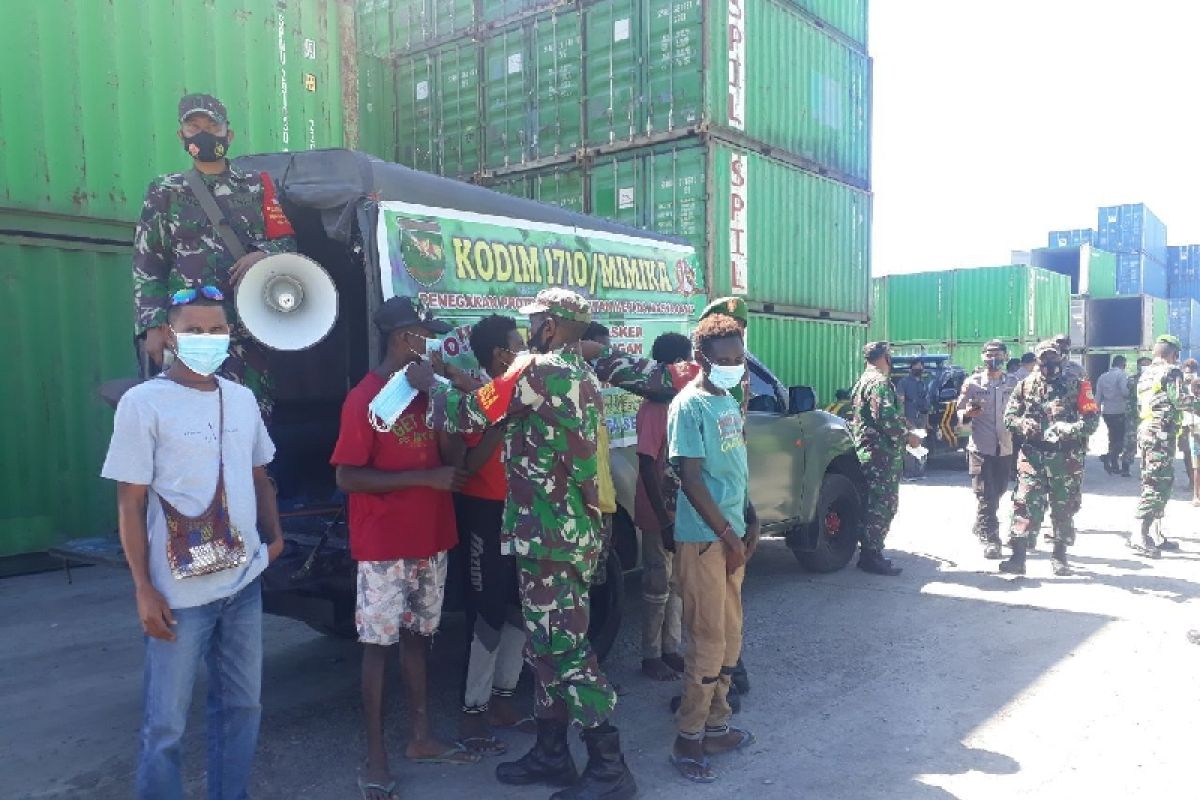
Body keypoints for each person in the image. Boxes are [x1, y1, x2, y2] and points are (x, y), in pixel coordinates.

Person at [413, 288, 661, 800]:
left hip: (549, 537)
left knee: (565, 650)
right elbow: (501, 406)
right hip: (560, 534)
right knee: (545, 646)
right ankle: (552, 752)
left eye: (534, 320)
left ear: (550, 326)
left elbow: (469, 415)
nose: (527, 329)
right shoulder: (577, 373)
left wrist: (430, 384)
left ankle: (609, 765)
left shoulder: (535, 371)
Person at [101, 289, 284, 800]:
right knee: (166, 727)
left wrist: (276, 539)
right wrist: (142, 588)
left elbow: (259, 472)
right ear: (171, 335)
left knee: (243, 709)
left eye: (216, 330)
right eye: (195, 331)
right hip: (179, 598)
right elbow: (129, 504)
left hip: (242, 587)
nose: (207, 340)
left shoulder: (241, 397)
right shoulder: (143, 404)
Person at [331, 296, 478, 800]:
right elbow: (348, 475)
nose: (431, 344)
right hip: (385, 546)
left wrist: (446, 397)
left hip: (431, 538)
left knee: (420, 637)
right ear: (402, 340)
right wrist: (426, 477)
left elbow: (454, 459)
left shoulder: (426, 393)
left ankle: (420, 738)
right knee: (378, 648)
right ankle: (375, 757)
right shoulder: (367, 399)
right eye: (424, 336)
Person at [133, 94, 298, 422]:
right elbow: (148, 262)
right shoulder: (165, 190)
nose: (204, 133)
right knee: (184, 424)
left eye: (212, 126)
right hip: (186, 336)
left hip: (246, 333)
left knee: (248, 424)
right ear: (182, 136)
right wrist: (151, 326)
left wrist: (261, 255)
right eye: (194, 127)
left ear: (228, 134)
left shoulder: (257, 185)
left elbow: (288, 245)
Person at [666, 314, 760, 784]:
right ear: (700, 360)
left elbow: (735, 468)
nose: (732, 365)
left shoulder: (726, 399)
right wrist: (727, 537)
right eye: (722, 360)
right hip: (706, 540)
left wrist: (750, 518)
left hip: (731, 535)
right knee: (705, 641)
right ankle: (688, 736)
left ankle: (717, 724)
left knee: (729, 638)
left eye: (738, 357)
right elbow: (691, 478)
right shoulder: (689, 406)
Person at [452, 315, 531, 756]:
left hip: (522, 514)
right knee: (487, 613)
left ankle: (503, 700)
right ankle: (472, 712)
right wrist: (501, 419)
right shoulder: (480, 399)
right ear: (501, 354)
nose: (524, 351)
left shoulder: (523, 394)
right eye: (518, 345)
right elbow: (470, 463)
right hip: (485, 515)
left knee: (519, 608)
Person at [1000, 340, 1099, 576]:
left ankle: (1059, 556)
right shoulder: (1024, 386)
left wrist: (1069, 428)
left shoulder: (1076, 385)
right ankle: (1018, 557)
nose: (1048, 364)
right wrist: (1022, 424)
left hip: (1066, 458)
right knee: (1024, 504)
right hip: (1032, 456)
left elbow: (1092, 421)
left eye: (1053, 358)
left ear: (1061, 359)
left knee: (1063, 507)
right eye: (1044, 359)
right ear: (1037, 361)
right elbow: (1009, 418)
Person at [635, 332, 692, 682]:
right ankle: (650, 654)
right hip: (658, 511)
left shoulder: (680, 402)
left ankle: (671, 649)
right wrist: (663, 519)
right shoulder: (656, 406)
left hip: (680, 509)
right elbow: (645, 462)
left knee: (676, 584)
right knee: (657, 583)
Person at [848, 341, 919, 576]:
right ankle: (871, 555)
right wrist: (909, 437)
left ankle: (870, 552)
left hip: (869, 451)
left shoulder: (863, 380)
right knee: (883, 504)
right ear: (885, 357)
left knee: (873, 501)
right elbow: (886, 419)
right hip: (881, 454)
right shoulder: (879, 382)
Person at [957, 340, 1018, 559]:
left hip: (1005, 447)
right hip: (980, 448)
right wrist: (970, 413)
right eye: (989, 354)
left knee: (1000, 490)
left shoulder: (1014, 382)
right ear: (982, 357)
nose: (994, 359)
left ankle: (982, 522)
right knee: (986, 495)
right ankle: (992, 540)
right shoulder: (972, 383)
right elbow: (960, 417)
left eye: (998, 354)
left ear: (1006, 356)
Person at [1129, 335, 1185, 559]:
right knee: (1157, 484)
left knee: (1155, 481)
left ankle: (1155, 534)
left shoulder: (1146, 374)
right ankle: (1139, 535)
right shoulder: (1170, 371)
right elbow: (1181, 400)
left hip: (1149, 432)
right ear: (1174, 353)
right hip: (1160, 434)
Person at [582, 322, 619, 588]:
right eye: (598, 354)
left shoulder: (595, 389)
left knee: (595, 586)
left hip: (603, 504)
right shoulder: (573, 385)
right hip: (584, 507)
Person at [896, 360, 932, 479]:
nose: (919, 369)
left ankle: (919, 472)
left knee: (919, 446)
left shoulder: (923, 383)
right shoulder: (904, 382)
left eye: (921, 367)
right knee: (909, 447)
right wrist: (903, 419)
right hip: (908, 417)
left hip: (920, 419)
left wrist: (926, 422)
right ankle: (909, 473)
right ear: (911, 368)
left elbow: (926, 404)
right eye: (916, 367)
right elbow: (900, 401)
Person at [1095, 356, 1130, 475]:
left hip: (1107, 412)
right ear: (1123, 364)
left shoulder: (1102, 376)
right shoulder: (1121, 375)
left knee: (1112, 438)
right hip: (1119, 410)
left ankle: (1114, 465)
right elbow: (1125, 392)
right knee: (1121, 440)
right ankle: (1108, 457)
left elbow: (1098, 397)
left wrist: (1097, 410)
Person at [1121, 357, 1153, 478]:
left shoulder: (1155, 379)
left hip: (1148, 415)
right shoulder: (1132, 379)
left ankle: (1146, 469)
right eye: (1142, 365)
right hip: (1133, 415)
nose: (1144, 367)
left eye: (1147, 365)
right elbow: (1130, 391)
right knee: (1130, 441)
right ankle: (1126, 466)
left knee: (1148, 442)